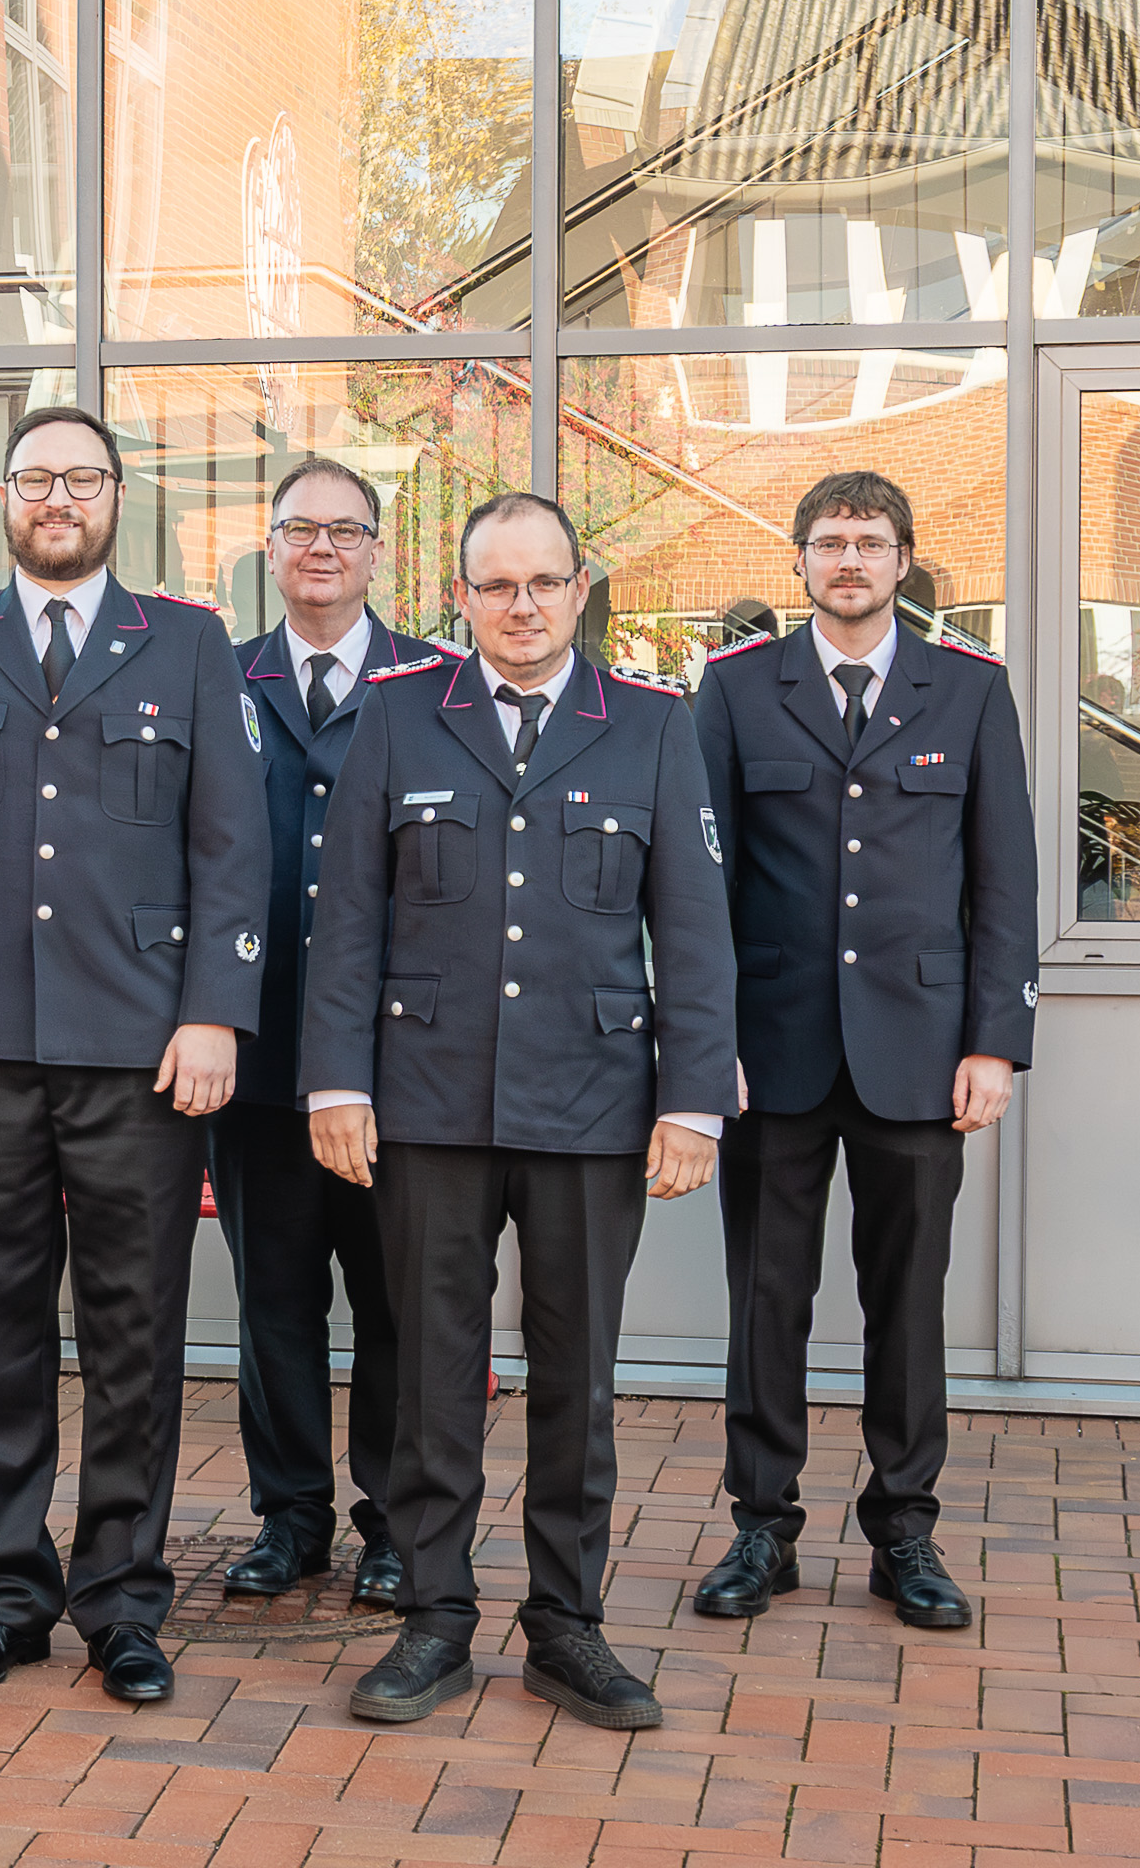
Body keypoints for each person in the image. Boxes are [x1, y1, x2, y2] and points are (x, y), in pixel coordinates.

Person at [0, 403, 270, 1707]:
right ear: (2, 499)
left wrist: (216, 1012)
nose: (57, 499)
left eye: (80, 479)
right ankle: (13, 1593)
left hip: (143, 1049)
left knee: (135, 1330)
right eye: (35, 478)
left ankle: (125, 1602)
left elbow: (231, 846)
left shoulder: (190, 645)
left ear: (116, 495)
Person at [303, 492, 734, 1733]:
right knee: (432, 1374)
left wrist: (694, 1101)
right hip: (427, 1101)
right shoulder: (397, 717)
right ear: (462, 596)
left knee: (575, 1378)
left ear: (581, 586)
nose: (523, 606)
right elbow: (348, 921)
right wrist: (337, 1080)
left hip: (594, 1103)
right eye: (497, 586)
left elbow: (696, 935)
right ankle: (435, 1616)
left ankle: (567, 1623)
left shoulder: (651, 726)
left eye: (544, 582)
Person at [691, 471, 1037, 1632]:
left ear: (903, 562)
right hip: (772, 1053)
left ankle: (905, 1531)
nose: (849, 559)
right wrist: (707, 1043)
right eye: (829, 541)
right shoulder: (737, 691)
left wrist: (996, 1040)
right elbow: (701, 888)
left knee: (908, 1302)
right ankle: (762, 1526)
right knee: (765, 1299)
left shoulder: (971, 692)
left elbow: (1005, 880)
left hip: (920, 1054)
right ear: (799, 562)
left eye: (870, 541)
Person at [212, 455, 450, 1609]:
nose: (322, 548)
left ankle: (397, 1522)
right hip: (256, 1057)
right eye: (300, 528)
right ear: (271, 546)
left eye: (345, 530)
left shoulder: (441, 683)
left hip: (398, 1065)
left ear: (377, 551)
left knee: (397, 1299)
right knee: (275, 1299)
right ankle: (290, 1516)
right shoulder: (215, 677)